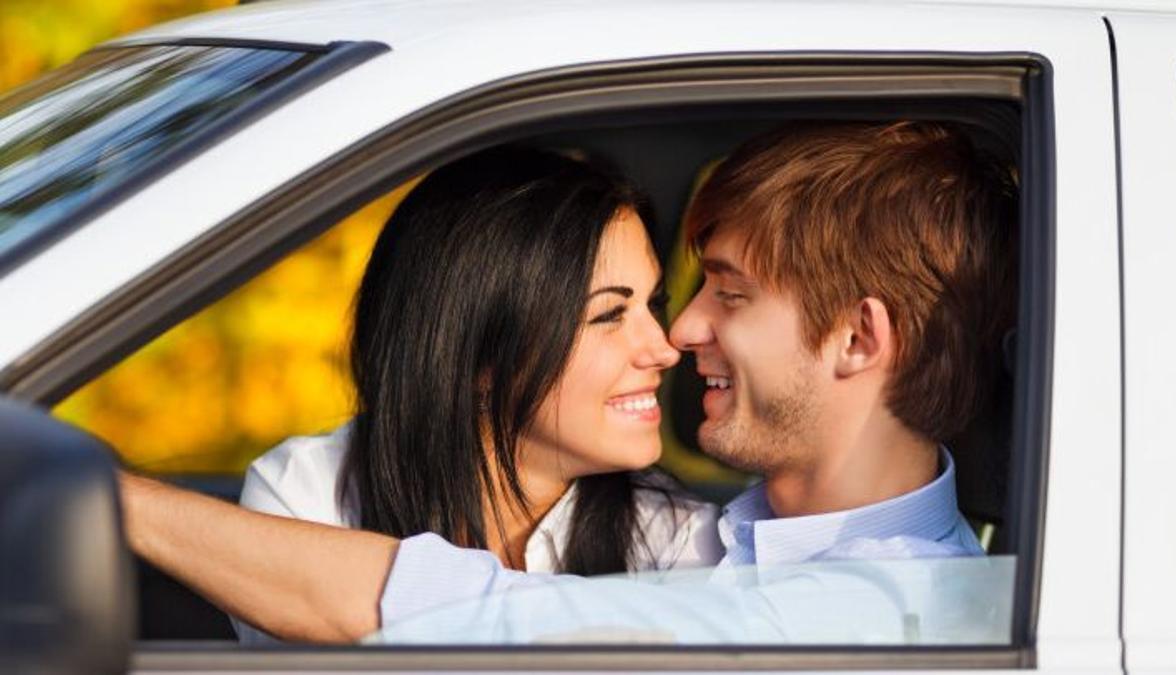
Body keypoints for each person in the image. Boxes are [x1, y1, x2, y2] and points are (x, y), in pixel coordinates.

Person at [119, 119, 1016, 644]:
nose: (679, 333)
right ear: (478, 349)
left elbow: (493, 620)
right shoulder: (739, 539)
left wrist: (109, 496)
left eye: (728, 294)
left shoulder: (894, 611)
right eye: (613, 310)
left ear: (859, 337)